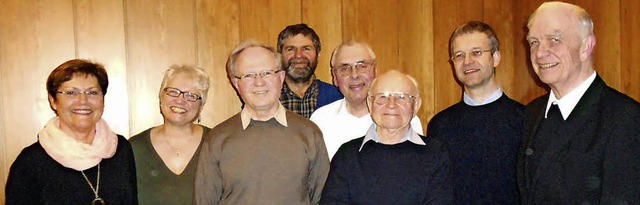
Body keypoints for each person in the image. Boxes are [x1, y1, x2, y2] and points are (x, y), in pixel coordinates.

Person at [518, 2, 640, 204]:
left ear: (586, 46)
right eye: (534, 42)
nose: (540, 53)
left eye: (554, 39)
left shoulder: (625, 119)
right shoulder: (532, 112)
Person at [194, 40, 330, 205]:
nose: (259, 82)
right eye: (249, 75)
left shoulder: (309, 133)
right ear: (236, 84)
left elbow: (323, 200)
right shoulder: (217, 138)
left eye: (266, 73)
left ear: (280, 77)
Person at [5, 59, 137, 204]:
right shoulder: (31, 161)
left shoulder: (121, 148)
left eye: (92, 92)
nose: (83, 101)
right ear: (53, 100)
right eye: (71, 93)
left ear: (103, 100)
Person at [427, 21, 523, 204]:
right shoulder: (440, 125)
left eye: (476, 52)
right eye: (459, 55)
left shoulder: (525, 120)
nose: (467, 61)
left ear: (496, 58)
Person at [321, 70, 451, 205]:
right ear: (370, 104)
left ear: (416, 105)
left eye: (401, 97)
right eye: (382, 97)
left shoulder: (435, 154)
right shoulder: (347, 154)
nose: (391, 104)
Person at [311, 41, 423, 160]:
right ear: (334, 77)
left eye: (362, 66)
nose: (354, 75)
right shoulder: (320, 120)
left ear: (375, 71)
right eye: (344, 68)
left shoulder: (402, 117)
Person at [129, 65, 211, 204]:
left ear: (201, 106)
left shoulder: (216, 143)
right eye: (173, 92)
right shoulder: (134, 147)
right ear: (161, 97)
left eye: (191, 96)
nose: (180, 100)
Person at [277, 23, 343, 118]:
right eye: (290, 49)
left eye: (306, 49)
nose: (298, 55)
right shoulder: (267, 98)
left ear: (318, 54)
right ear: (280, 55)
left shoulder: (338, 98)